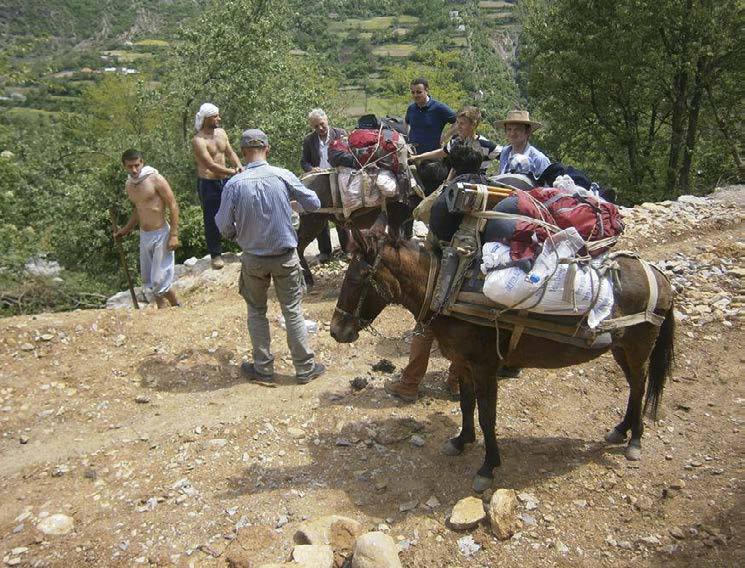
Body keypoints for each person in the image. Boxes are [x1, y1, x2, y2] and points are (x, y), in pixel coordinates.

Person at [215, 128, 326, 385]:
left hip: (253, 258)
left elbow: (223, 226)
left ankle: (263, 367)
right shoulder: (282, 176)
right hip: (285, 256)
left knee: (256, 311)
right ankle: (304, 368)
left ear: (243, 152)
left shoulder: (233, 184)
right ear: (268, 148)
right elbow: (315, 204)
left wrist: (236, 233)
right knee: (293, 311)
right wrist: (293, 205)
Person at [115, 149, 180, 309]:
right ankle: (168, 308)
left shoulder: (155, 179)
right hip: (145, 235)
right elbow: (139, 209)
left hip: (161, 233)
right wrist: (125, 229)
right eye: (130, 166)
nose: (134, 170)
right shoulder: (129, 184)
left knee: (159, 279)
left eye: (137, 165)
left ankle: (175, 305)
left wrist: (174, 234)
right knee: (150, 279)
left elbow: (172, 204)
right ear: (124, 166)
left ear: (142, 162)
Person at [192, 102, 244, 270]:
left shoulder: (221, 133)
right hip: (209, 183)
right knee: (212, 218)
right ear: (207, 118)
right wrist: (233, 172)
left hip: (227, 180)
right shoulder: (198, 140)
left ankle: (246, 245)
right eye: (215, 116)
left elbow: (230, 152)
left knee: (240, 210)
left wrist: (239, 166)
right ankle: (216, 254)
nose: (218, 119)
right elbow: (210, 165)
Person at [300, 108, 350, 263]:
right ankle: (325, 252)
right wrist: (310, 169)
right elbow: (304, 161)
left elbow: (350, 154)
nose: (320, 128)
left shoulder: (341, 133)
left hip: (339, 177)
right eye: (315, 126)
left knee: (341, 212)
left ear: (327, 120)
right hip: (320, 181)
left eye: (321, 124)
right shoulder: (309, 140)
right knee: (320, 213)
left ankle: (347, 249)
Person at [411, 106, 500, 179]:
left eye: (462, 123)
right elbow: (443, 152)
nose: (458, 126)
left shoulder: (486, 145)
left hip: (476, 185)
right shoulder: (455, 140)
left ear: (473, 125)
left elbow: (504, 154)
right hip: (455, 181)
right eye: (457, 122)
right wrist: (418, 157)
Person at [404, 78, 457, 154]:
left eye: (419, 92)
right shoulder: (411, 108)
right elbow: (406, 121)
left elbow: (458, 121)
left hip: (432, 157)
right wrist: (408, 136)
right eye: (413, 92)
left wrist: (445, 136)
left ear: (426, 90)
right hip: (412, 155)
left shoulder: (439, 107)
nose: (415, 95)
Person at [496, 110, 550, 178]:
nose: (512, 133)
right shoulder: (505, 152)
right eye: (509, 129)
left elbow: (546, 187)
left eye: (517, 129)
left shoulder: (539, 159)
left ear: (527, 131)